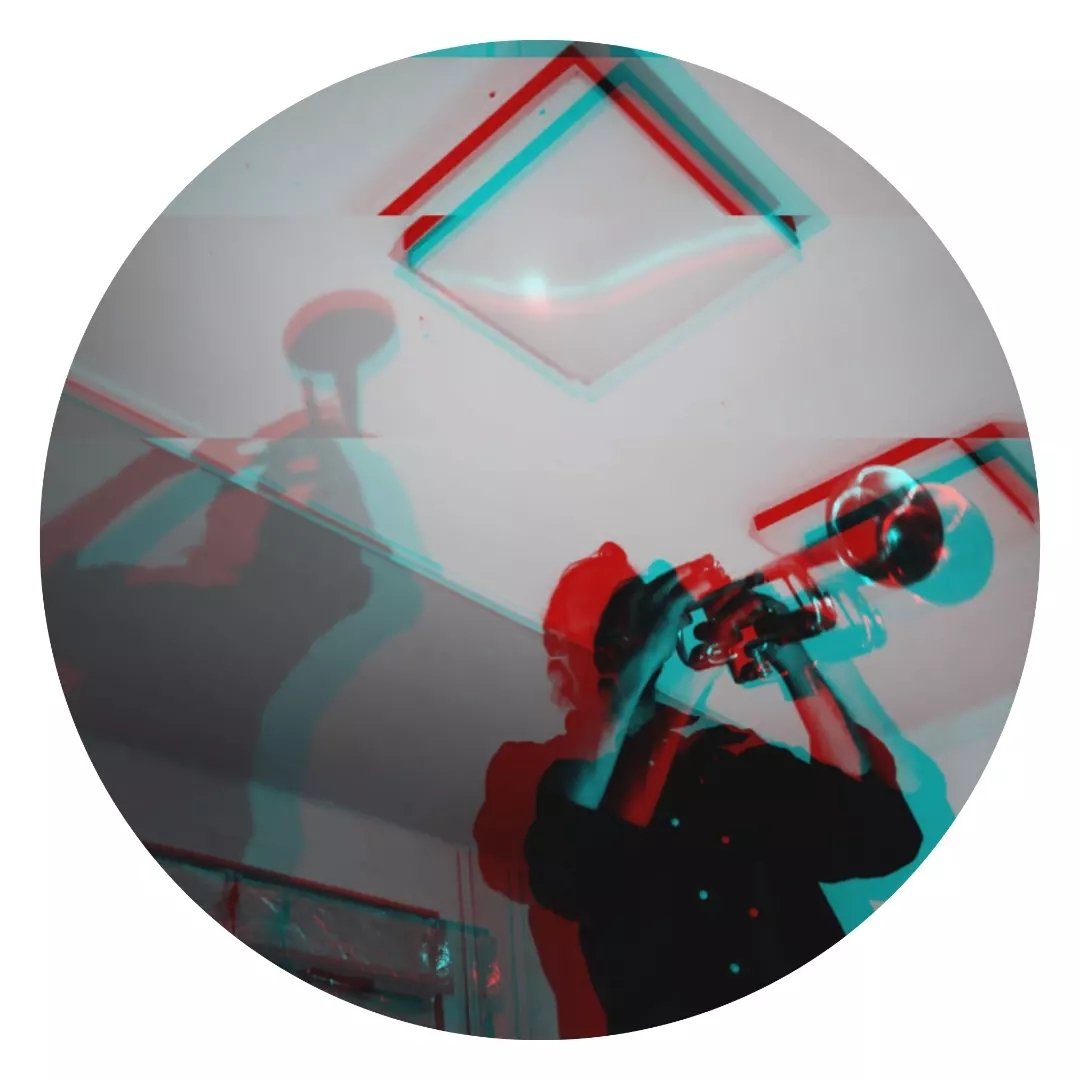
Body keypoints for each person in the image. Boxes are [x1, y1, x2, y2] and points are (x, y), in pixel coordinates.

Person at [516, 543, 922, 1035]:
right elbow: (569, 880)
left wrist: (791, 657)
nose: (650, 636)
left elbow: (886, 840)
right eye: (627, 630)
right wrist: (665, 671)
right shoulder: (566, 782)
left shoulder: (741, 761)